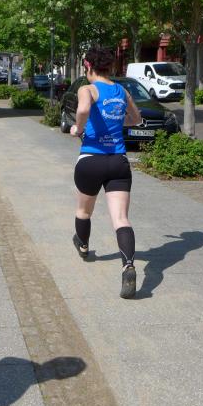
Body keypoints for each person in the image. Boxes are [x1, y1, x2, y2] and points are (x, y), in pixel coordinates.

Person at [69, 46, 142, 299]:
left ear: (88, 66)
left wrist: (78, 129)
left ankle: (83, 245)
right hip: (118, 162)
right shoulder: (122, 91)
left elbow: (83, 110)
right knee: (121, 219)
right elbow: (136, 119)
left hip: (91, 160)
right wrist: (116, 121)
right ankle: (128, 266)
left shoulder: (87, 89)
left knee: (83, 211)